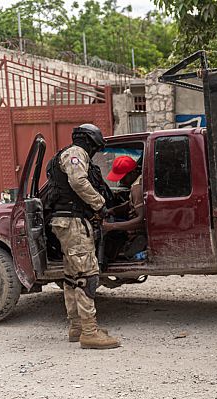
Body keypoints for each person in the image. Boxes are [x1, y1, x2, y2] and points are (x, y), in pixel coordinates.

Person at [46, 123, 121, 350]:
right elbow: (78, 181)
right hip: (74, 223)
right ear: (89, 141)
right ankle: (89, 332)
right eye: (96, 147)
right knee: (87, 275)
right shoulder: (76, 153)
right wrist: (99, 204)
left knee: (72, 276)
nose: (95, 151)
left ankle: (77, 327)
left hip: (66, 222)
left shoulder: (66, 154)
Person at [103, 156, 147, 261]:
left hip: (138, 234)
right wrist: (114, 210)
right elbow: (131, 204)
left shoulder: (137, 189)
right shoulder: (138, 181)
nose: (121, 182)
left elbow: (142, 220)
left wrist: (112, 226)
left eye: (123, 178)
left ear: (132, 173)